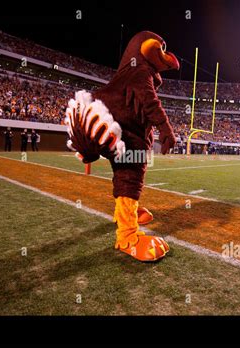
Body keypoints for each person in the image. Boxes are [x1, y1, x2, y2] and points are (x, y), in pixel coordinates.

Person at [66, 31, 177, 262]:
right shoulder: (139, 72)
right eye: (161, 48)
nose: (166, 56)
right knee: (131, 173)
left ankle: (126, 212)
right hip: (123, 132)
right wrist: (165, 128)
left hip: (116, 128)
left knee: (125, 173)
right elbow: (149, 101)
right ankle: (128, 237)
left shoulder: (129, 72)